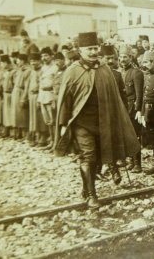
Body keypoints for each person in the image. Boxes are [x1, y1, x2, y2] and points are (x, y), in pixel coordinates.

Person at [55, 32, 140, 208]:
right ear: (80, 50)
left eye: (95, 48)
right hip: (81, 123)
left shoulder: (104, 69)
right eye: (89, 49)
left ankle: (86, 189)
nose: (93, 52)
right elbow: (65, 99)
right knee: (88, 156)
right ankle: (92, 195)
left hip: (102, 122)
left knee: (99, 157)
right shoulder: (72, 71)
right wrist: (63, 124)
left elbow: (114, 98)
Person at [119, 44, 144, 173]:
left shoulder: (136, 72)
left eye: (125, 57)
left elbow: (139, 94)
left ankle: (138, 164)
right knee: (127, 136)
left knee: (135, 136)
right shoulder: (120, 72)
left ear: (130, 58)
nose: (122, 59)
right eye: (121, 57)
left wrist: (139, 110)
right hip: (123, 108)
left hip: (132, 109)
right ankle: (131, 161)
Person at [38, 47, 58, 150]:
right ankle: (51, 141)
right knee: (48, 121)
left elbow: (57, 83)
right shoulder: (43, 68)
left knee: (54, 121)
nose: (44, 58)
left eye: (46, 55)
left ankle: (56, 143)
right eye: (42, 56)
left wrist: (50, 87)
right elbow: (40, 83)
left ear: (51, 56)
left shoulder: (55, 68)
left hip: (51, 96)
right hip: (43, 97)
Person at [27, 52, 48, 147]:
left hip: (39, 96)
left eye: (35, 61)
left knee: (40, 118)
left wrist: (40, 98)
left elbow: (41, 86)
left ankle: (43, 139)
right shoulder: (32, 71)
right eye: (31, 61)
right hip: (32, 96)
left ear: (39, 61)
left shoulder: (42, 71)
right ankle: (36, 136)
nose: (33, 63)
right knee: (34, 118)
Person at [11, 53, 31, 140]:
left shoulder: (28, 71)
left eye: (18, 60)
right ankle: (17, 132)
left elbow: (27, 86)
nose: (17, 62)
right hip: (15, 91)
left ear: (23, 61)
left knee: (22, 113)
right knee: (15, 113)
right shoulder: (19, 70)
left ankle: (24, 134)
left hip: (21, 92)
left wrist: (24, 98)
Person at [1, 55, 16, 138]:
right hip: (5, 93)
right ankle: (7, 131)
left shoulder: (13, 72)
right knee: (6, 113)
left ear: (6, 62)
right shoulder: (6, 72)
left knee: (11, 113)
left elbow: (14, 85)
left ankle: (13, 132)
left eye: (2, 63)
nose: (2, 65)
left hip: (11, 94)